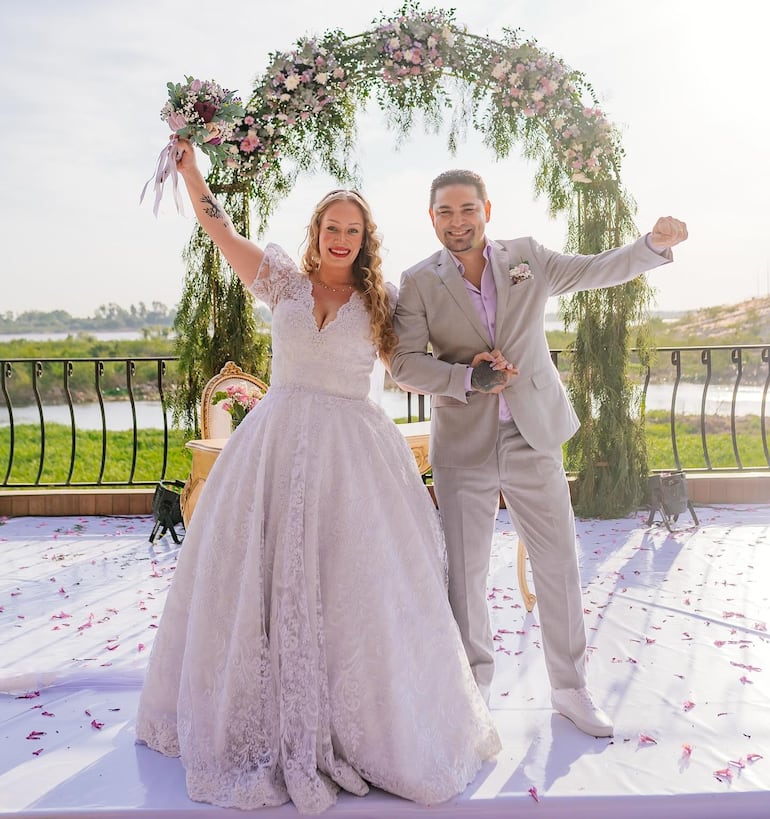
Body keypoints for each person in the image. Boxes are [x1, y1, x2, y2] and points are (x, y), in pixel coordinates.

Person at [135, 144, 500, 814]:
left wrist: (472, 365)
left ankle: (357, 721)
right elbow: (219, 229)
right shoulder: (283, 282)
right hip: (276, 444)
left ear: (366, 239)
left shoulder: (383, 301)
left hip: (353, 453)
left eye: (351, 229)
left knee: (355, 580)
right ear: (317, 233)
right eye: (331, 226)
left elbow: (415, 366)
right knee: (261, 574)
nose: (340, 237)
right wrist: (191, 174)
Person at [390, 168, 688, 738]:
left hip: (533, 434)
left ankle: (571, 689)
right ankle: (471, 691)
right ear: (432, 218)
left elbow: (596, 269)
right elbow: (403, 363)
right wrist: (466, 378)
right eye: (445, 213)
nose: (457, 222)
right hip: (464, 445)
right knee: (466, 573)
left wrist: (653, 246)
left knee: (558, 563)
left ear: (487, 211)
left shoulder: (526, 256)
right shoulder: (418, 282)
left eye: (467, 210)